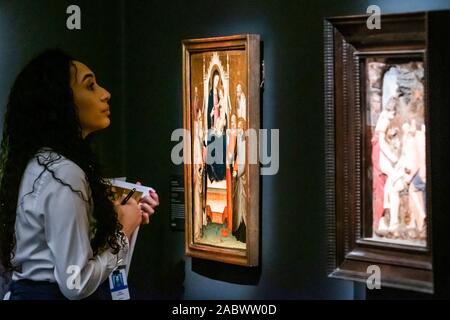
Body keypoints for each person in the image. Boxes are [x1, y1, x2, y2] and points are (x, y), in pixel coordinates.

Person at [0, 49, 159, 300]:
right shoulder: (65, 173)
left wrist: (123, 216)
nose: (106, 94)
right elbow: (76, 283)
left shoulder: (40, 163)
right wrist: (123, 230)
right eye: (90, 86)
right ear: (61, 101)